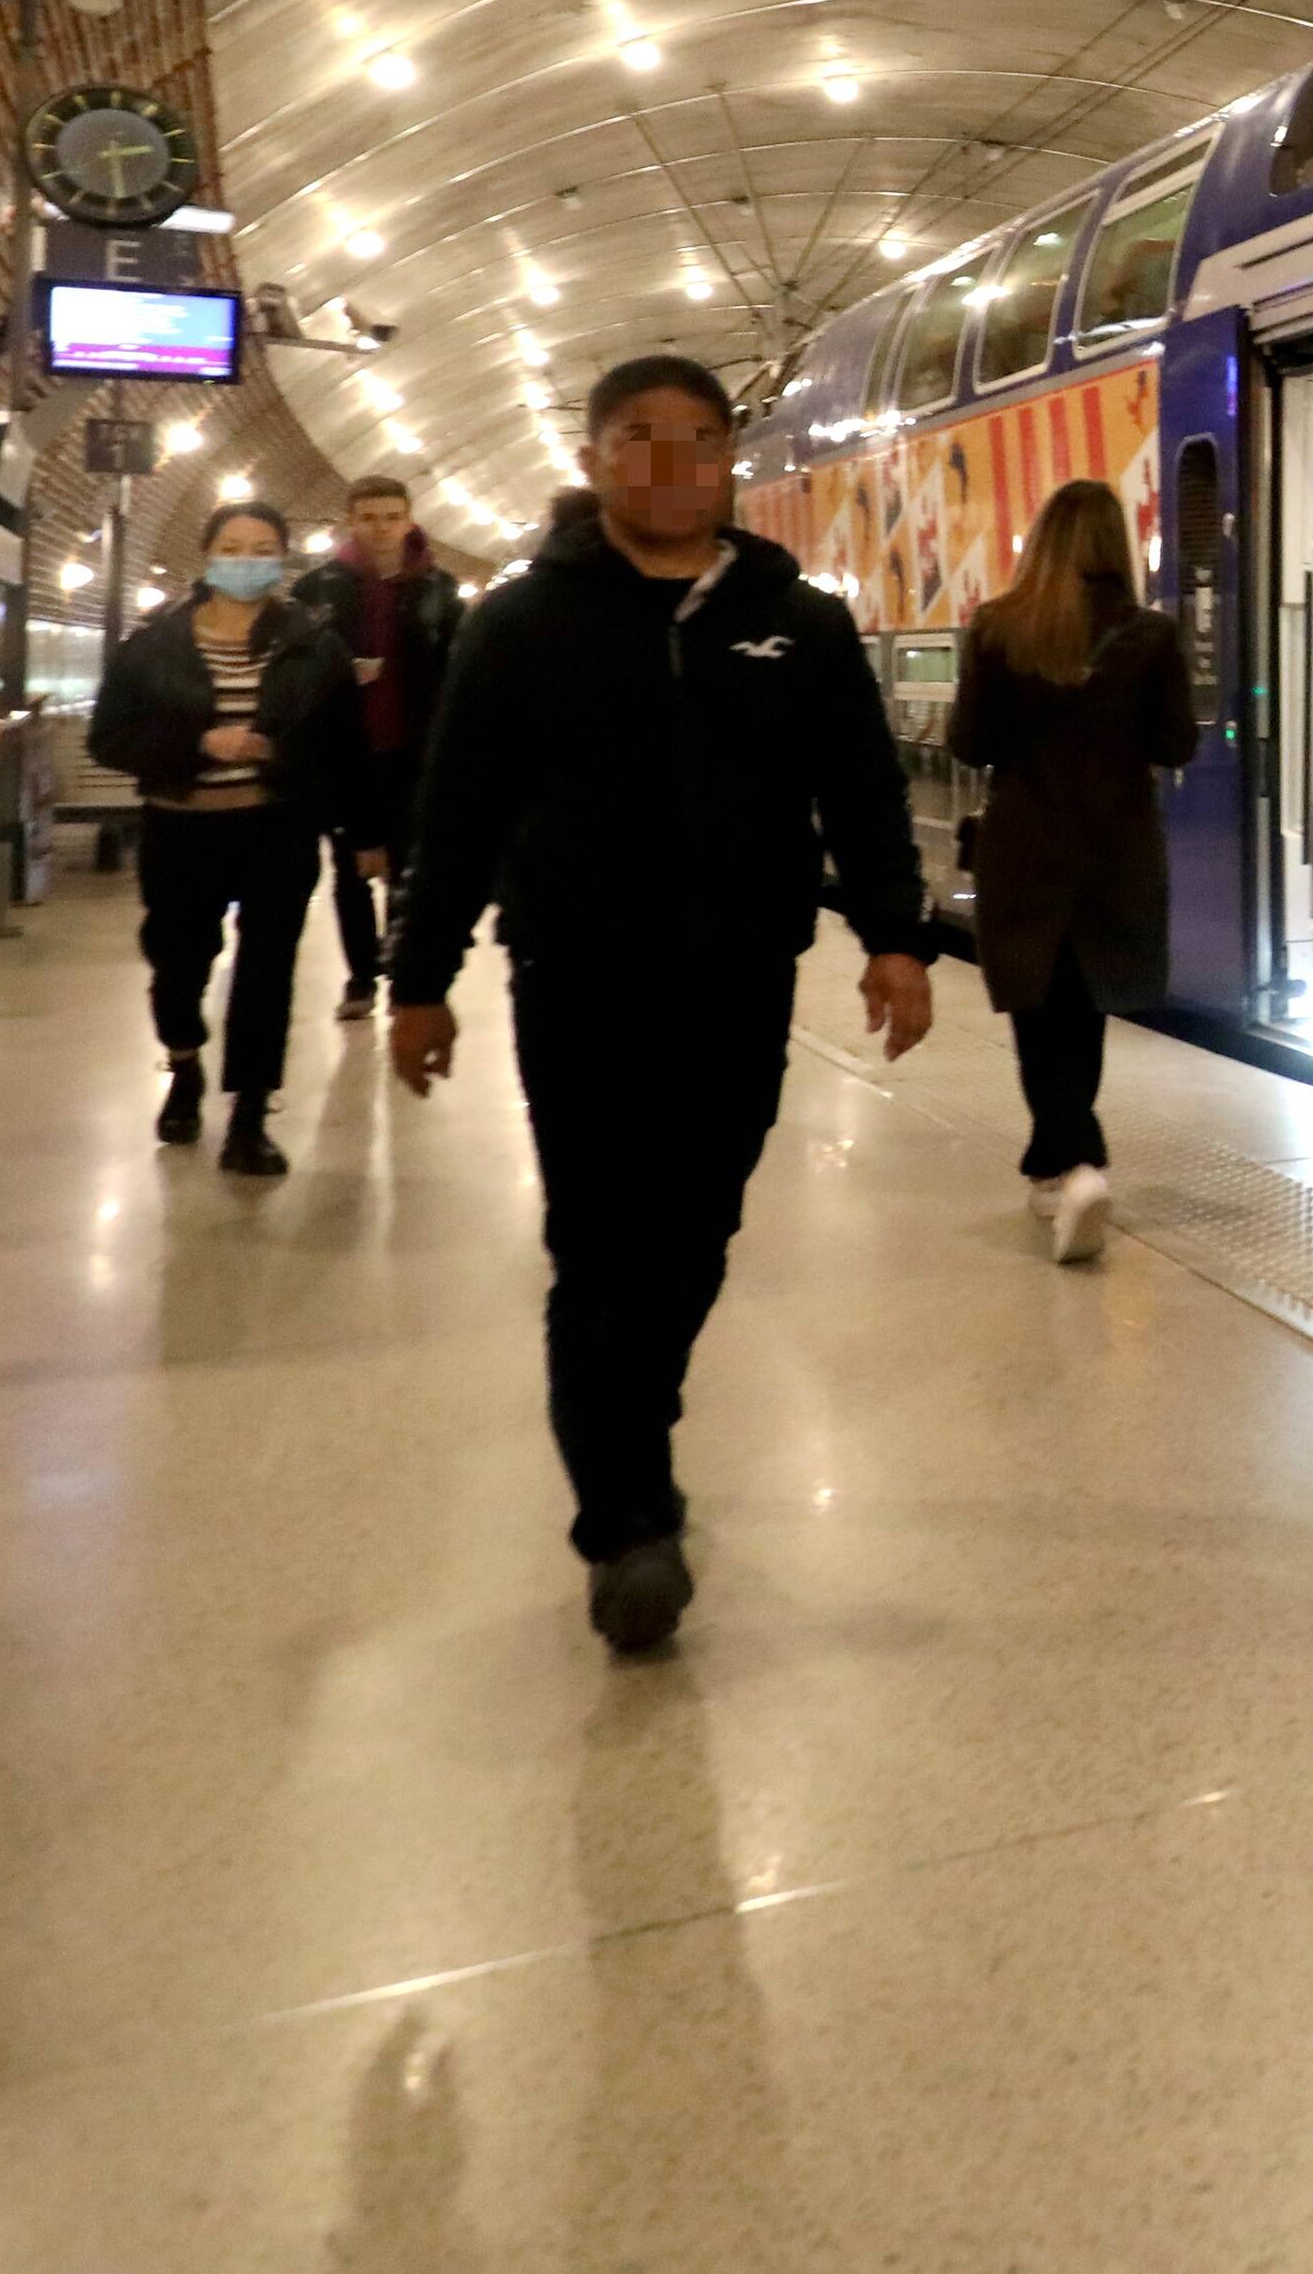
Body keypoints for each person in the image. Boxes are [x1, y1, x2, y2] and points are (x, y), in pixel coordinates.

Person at [386, 357, 932, 1655]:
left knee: (696, 1233)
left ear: (729, 460)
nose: (671, 462)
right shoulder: (520, 623)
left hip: (740, 979)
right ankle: (626, 1523)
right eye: (639, 437)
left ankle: (637, 1425)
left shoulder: (798, 621)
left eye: (697, 439)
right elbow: (458, 808)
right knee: (599, 1243)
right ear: (592, 462)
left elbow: (861, 789)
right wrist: (419, 977)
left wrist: (895, 939)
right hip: (574, 977)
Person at [947, 478, 1195, 1262]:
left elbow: (969, 742)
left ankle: (1075, 1162)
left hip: (1025, 852)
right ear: (1116, 543)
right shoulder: (1151, 635)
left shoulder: (999, 627)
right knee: (1084, 1016)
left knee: (1038, 1014)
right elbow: (1177, 743)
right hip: (1116, 856)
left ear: (1044, 540)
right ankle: (1057, 1163)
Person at [86, 500, 357, 1171]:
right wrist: (199, 743)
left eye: (262, 549)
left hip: (276, 826)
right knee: (178, 960)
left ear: (282, 559)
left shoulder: (314, 646)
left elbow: (342, 744)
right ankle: (184, 1061)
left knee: (268, 968)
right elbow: (109, 738)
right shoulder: (152, 646)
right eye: (232, 548)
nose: (246, 561)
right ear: (207, 556)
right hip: (181, 826)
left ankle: (250, 1114)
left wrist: (288, 760)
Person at [291, 473, 461, 1024]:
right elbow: (292, 667)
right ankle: (361, 973)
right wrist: (338, 673)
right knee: (350, 869)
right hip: (344, 749)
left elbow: (456, 667)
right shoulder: (318, 589)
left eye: (391, 517)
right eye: (369, 517)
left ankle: (404, 969)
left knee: (409, 867)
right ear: (350, 522)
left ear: (409, 520)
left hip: (415, 750)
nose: (381, 528)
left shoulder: (438, 588)